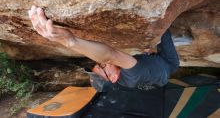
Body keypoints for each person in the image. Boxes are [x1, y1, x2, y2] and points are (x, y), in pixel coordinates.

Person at [28, 5, 180, 90]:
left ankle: (149, 54)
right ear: (113, 78)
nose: (103, 62)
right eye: (102, 66)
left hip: (156, 70)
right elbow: (110, 55)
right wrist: (71, 42)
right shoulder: (133, 74)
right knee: (163, 27)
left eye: (99, 64)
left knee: (146, 48)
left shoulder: (125, 78)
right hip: (168, 63)